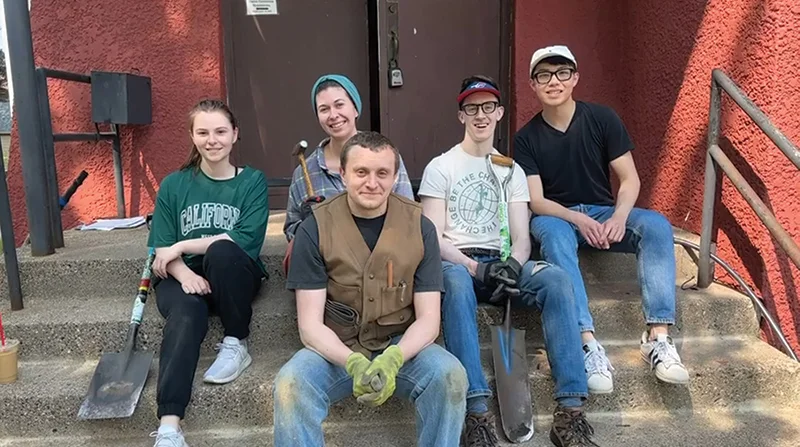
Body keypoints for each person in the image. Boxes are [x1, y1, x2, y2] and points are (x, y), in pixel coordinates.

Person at [419, 75, 598, 447]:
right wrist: (474, 267)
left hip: (503, 264)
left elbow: (522, 237)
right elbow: (432, 237)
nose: (480, 115)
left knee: (556, 281)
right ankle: (476, 414)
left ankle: (570, 412)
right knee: (455, 283)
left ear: (499, 113)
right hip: (459, 263)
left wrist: (514, 264)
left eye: (488, 107)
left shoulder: (511, 169)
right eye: (472, 108)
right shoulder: (441, 167)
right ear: (461, 115)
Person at [513, 45, 690, 396]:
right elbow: (537, 201)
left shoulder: (602, 119)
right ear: (533, 85)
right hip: (558, 216)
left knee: (656, 225)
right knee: (553, 236)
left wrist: (620, 216)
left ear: (575, 78)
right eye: (543, 75)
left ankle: (658, 338)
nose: (553, 82)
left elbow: (630, 179)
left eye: (562, 73)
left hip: (603, 212)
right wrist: (577, 218)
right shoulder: (526, 138)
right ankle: (586, 342)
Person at [273, 131, 468, 447]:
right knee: (291, 384)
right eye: (361, 172)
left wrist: (394, 358)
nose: (372, 183)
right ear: (343, 174)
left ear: (395, 177)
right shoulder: (314, 228)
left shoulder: (420, 228)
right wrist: (353, 362)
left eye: (382, 173)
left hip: (401, 346)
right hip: (338, 349)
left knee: (450, 376)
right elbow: (309, 326)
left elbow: (429, 320)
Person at [147, 99, 269, 447]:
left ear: (235, 134)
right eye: (203, 132)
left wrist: (184, 245)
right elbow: (162, 249)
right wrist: (184, 274)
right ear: (192, 136)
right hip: (181, 278)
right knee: (185, 315)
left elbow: (245, 239)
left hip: (232, 276)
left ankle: (236, 341)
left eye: (220, 131)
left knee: (222, 250)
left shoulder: (252, 181)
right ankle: (169, 428)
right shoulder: (174, 185)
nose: (212, 140)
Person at [282, 74, 415, 273]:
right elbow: (291, 228)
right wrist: (310, 226)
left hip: (382, 263)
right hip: (329, 269)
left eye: (339, 105)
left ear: (355, 108)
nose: (333, 115)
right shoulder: (304, 172)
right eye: (324, 109)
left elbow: (407, 215)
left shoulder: (385, 157)